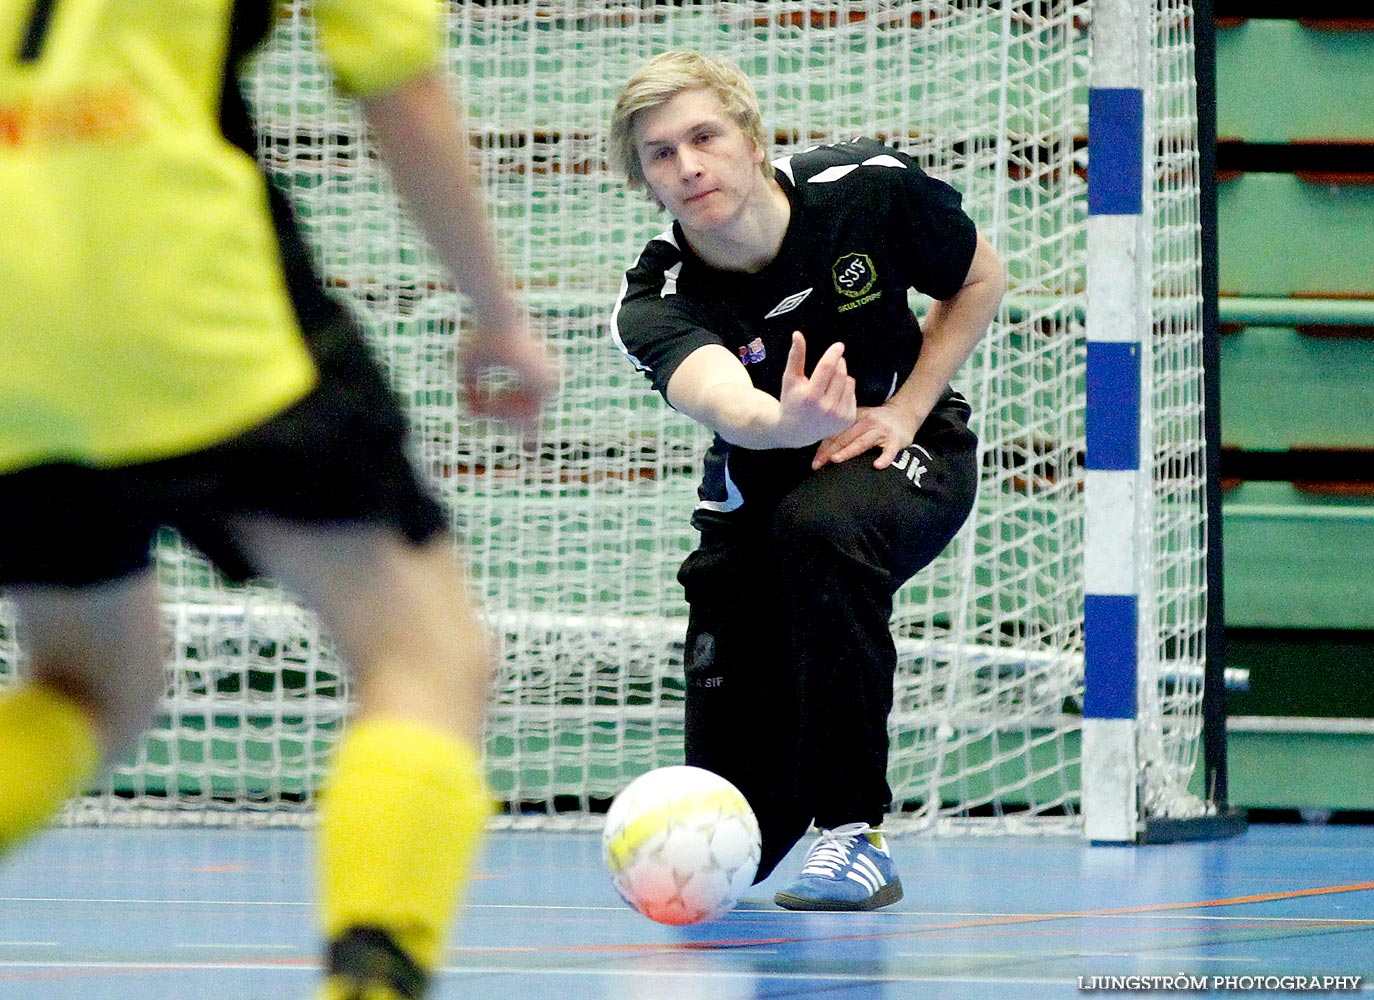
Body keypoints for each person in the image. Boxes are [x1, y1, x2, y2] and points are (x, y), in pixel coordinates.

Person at [0, 3, 554, 998]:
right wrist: (497, 315)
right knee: (425, 654)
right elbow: (401, 80)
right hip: (178, 280)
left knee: (88, 683)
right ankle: (371, 980)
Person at [608, 50, 1006, 911]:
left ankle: (855, 832)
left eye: (704, 137)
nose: (688, 166)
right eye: (660, 155)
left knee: (822, 532)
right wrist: (780, 423)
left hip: (905, 452)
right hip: (754, 510)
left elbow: (979, 277)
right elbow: (721, 396)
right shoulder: (656, 298)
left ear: (752, 140)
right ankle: (789, 820)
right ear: (645, 180)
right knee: (731, 838)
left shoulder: (869, 188)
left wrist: (904, 407)